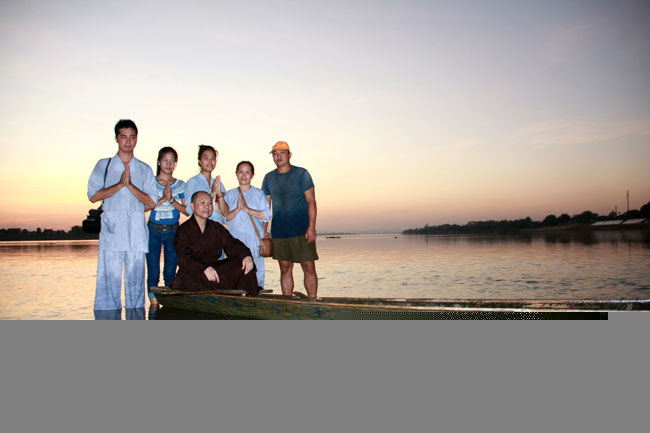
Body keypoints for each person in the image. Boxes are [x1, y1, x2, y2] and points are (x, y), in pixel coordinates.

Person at [87, 119, 157, 310]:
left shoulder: (144, 168)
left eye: (132, 137)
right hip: (112, 230)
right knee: (108, 281)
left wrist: (130, 186)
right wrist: (119, 185)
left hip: (136, 232)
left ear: (137, 139)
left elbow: (152, 202)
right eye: (124, 137)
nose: (128, 141)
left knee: (136, 284)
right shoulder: (104, 165)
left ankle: (136, 318)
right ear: (117, 138)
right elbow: (93, 196)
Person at [171, 191, 259, 295]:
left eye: (210, 203)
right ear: (192, 206)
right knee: (200, 281)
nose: (207, 207)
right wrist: (204, 269)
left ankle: (248, 296)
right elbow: (183, 258)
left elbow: (233, 244)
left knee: (243, 264)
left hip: (213, 271)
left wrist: (246, 256)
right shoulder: (183, 230)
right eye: (202, 203)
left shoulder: (216, 227)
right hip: (193, 274)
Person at [261, 141, 318, 298]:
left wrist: (312, 226)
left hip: (302, 230)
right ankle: (287, 302)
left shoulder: (302, 174)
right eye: (275, 153)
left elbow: (311, 201)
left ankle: (313, 301)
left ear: (289, 155)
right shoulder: (268, 178)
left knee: (308, 267)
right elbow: (266, 206)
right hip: (280, 231)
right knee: (285, 269)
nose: (278, 156)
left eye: (282, 152)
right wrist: (264, 230)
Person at [145, 147, 188, 306]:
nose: (169, 164)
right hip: (153, 230)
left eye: (172, 161)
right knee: (153, 271)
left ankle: (170, 305)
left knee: (170, 271)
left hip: (173, 231)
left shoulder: (181, 185)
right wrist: (163, 199)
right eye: (165, 160)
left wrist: (171, 200)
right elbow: (143, 207)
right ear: (159, 162)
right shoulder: (150, 182)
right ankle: (153, 305)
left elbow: (187, 211)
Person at [225, 161, 272, 288]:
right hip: (234, 240)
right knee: (235, 270)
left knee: (256, 273)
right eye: (241, 172)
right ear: (236, 174)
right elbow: (224, 218)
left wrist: (247, 209)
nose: (244, 175)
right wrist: (237, 210)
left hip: (254, 240)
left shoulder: (259, 193)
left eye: (247, 172)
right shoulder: (229, 194)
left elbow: (267, 215)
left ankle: (257, 292)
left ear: (252, 175)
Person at [184, 145, 229, 224]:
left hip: (217, 227)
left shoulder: (219, 184)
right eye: (206, 158)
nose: (210, 161)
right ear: (199, 161)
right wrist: (212, 194)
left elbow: (225, 213)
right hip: (200, 227)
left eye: (213, 158)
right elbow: (189, 209)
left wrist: (220, 195)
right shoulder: (193, 182)